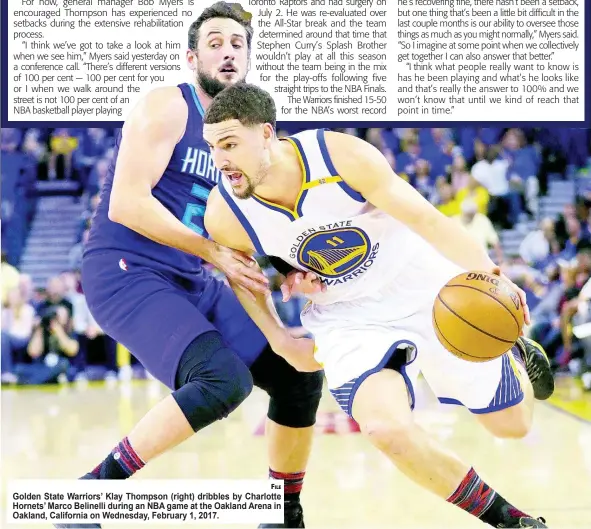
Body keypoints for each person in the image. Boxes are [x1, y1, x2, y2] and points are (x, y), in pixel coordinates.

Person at [200, 83, 555, 529]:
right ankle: (511, 521)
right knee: (384, 428)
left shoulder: (339, 156)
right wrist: (278, 335)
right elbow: (246, 278)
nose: (221, 160)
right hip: (349, 318)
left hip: (423, 286)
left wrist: (493, 277)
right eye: (213, 147)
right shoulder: (225, 212)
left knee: (513, 426)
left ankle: (516, 352)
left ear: (267, 133)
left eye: (230, 144)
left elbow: (426, 218)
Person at [65, 4, 323, 529]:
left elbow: (246, 246)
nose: (228, 51)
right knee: (221, 380)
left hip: (193, 276)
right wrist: (212, 253)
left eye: (238, 43)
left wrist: (285, 299)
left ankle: (283, 511)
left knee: (298, 376)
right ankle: (90, 499)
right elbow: (126, 204)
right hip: (126, 271)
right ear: (192, 56)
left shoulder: (252, 138)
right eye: (215, 42)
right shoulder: (166, 106)